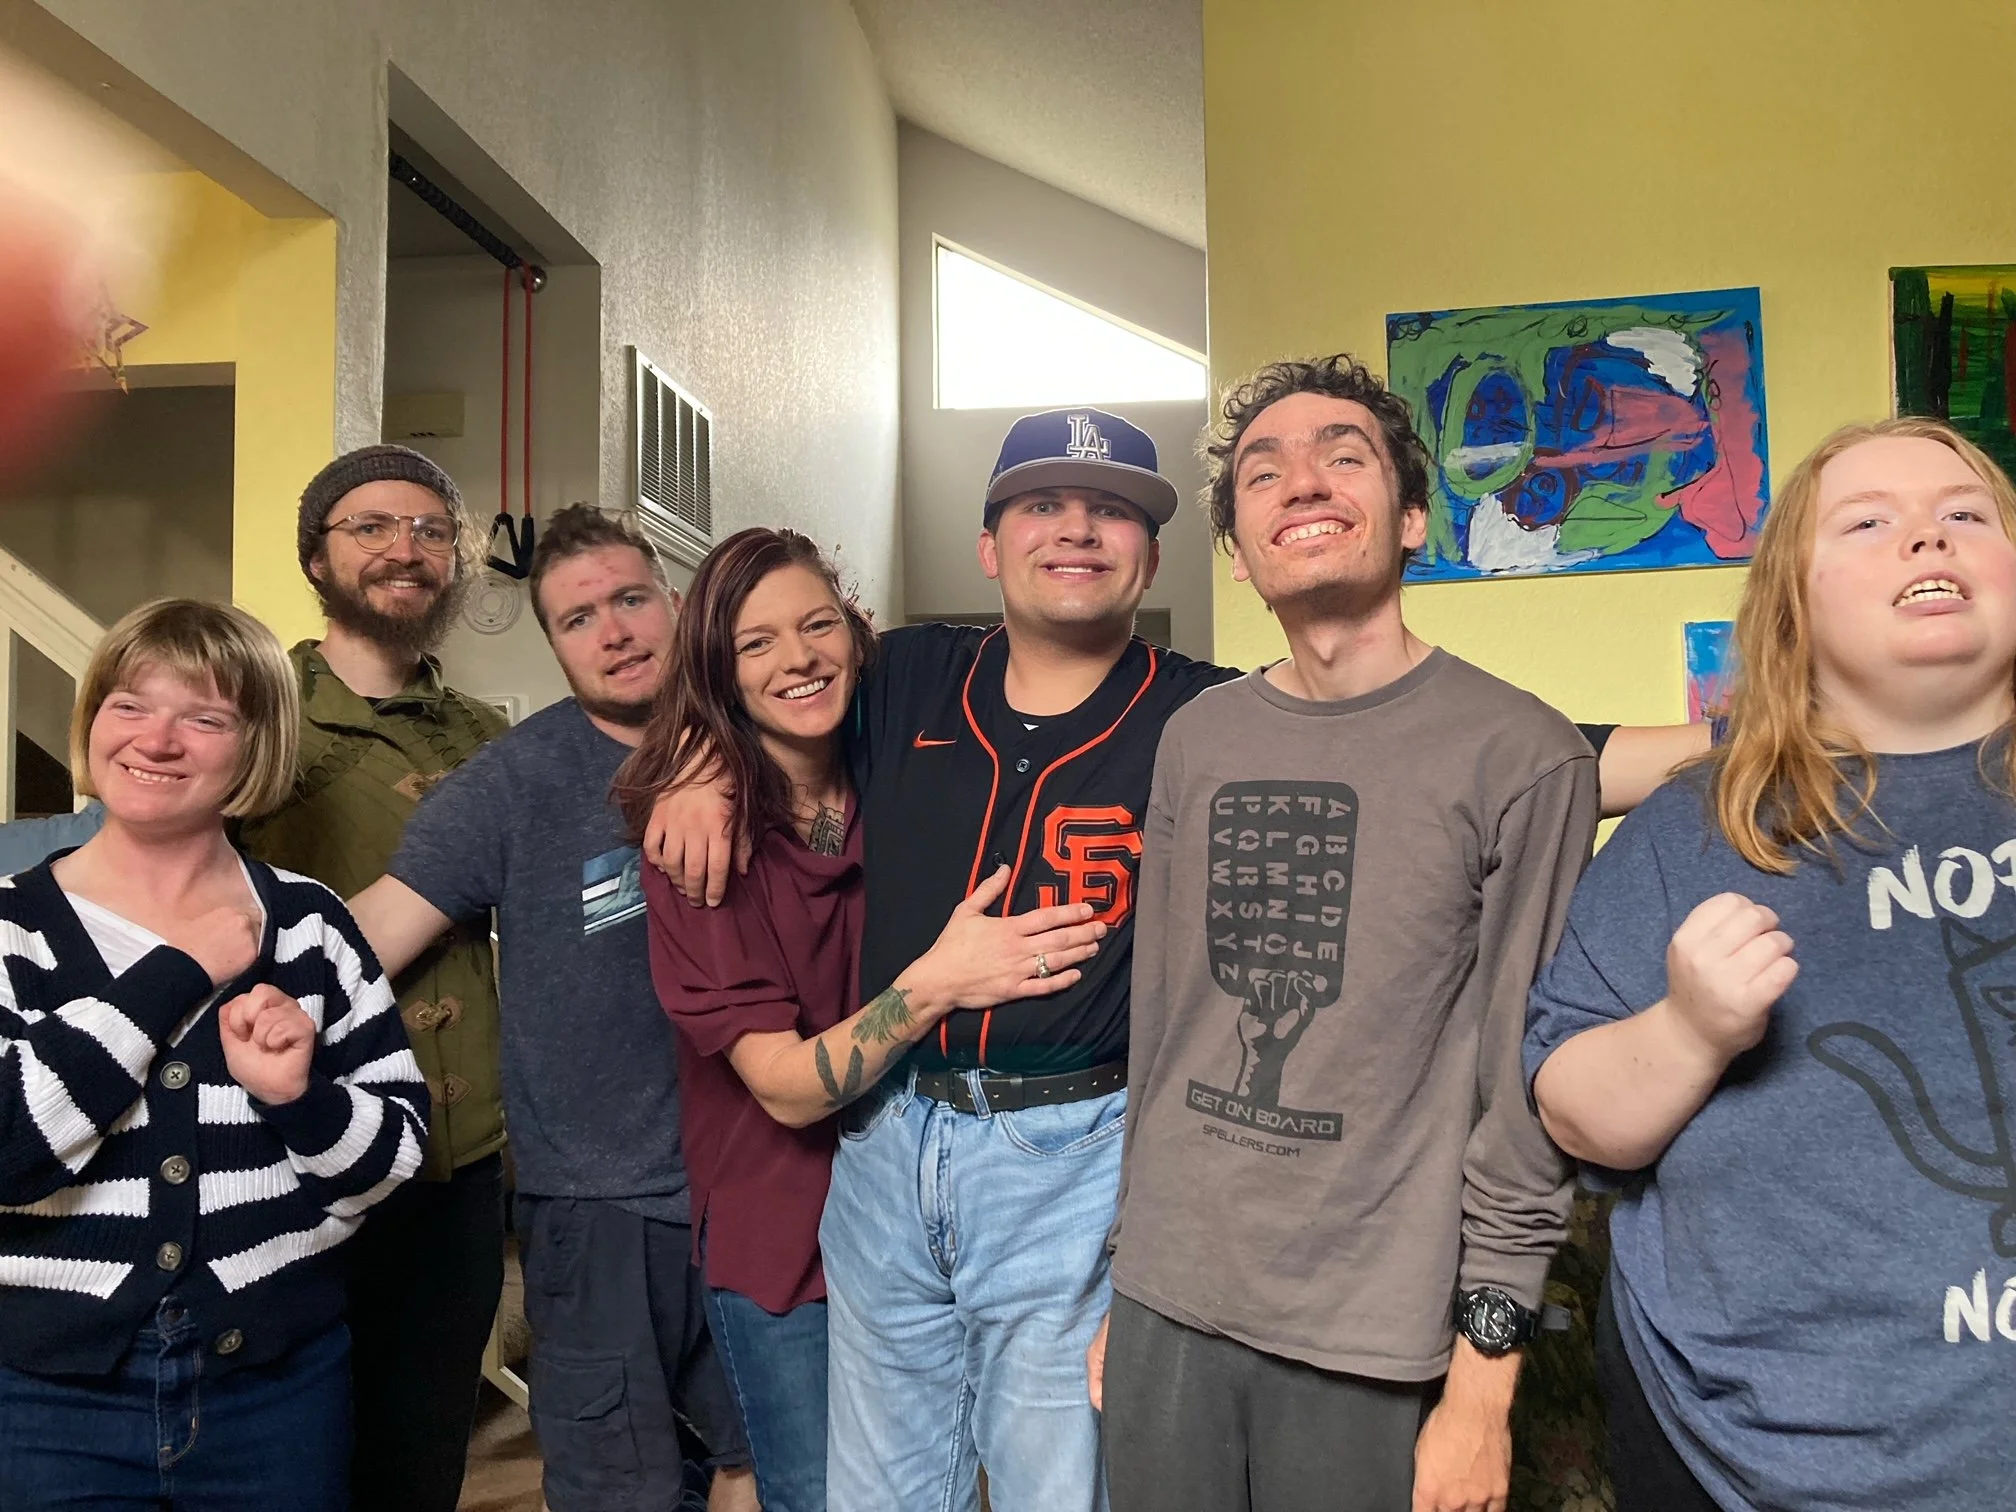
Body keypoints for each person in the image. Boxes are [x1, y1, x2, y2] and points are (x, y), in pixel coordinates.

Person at [646, 408, 1694, 1511]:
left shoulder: (1205, 713)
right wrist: (696, 763)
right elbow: (769, 687)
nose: (1076, 530)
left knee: (1056, 1490)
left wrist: (1745, 744)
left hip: (1067, 1149)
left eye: (1111, 512)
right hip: (886, 1143)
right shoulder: (906, 673)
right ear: (989, 547)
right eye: (1042, 506)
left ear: (1154, 555)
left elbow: (1476, 749)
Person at [1087, 355, 1597, 1512]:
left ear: (1413, 516)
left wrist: (1482, 1392)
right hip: (1168, 1299)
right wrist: (1127, 1280)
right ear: (1239, 549)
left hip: (1369, 1331)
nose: (1303, 483)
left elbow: (1522, 1096)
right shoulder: (1199, 739)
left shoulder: (1525, 757)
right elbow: (1162, 1033)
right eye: (1263, 473)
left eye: (1343, 456)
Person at [0, 445, 511, 1512]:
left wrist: (299, 1097)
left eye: (205, 718)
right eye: (130, 706)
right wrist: (177, 974)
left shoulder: (311, 927)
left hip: (272, 1393)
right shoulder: (13, 927)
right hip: (47, 1402)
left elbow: (388, 1154)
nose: (159, 740)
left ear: (254, 749)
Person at [1525, 417, 2016, 1511]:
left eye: (1965, 514)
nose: (1928, 536)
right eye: (1869, 523)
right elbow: (1572, 1111)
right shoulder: (1697, 826)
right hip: (1753, 1454)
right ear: (1793, 601)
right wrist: (1688, 1031)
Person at [617, 527, 1109, 1512]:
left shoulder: (902, 764)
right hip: (785, 1235)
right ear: (717, 670)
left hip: (950, 1197)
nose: (796, 658)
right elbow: (786, 1089)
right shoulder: (701, 851)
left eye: (816, 625)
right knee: (823, 1495)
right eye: (755, 644)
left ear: (856, 629)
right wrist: (939, 982)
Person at [347, 504, 757, 1512]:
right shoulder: (510, 784)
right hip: (596, 1211)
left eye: (630, 600)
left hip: (762, 1185)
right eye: (579, 619)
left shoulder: (763, 739)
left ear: (676, 604)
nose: (613, 632)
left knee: (772, 1460)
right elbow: (368, 937)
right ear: (556, 644)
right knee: (620, 1489)